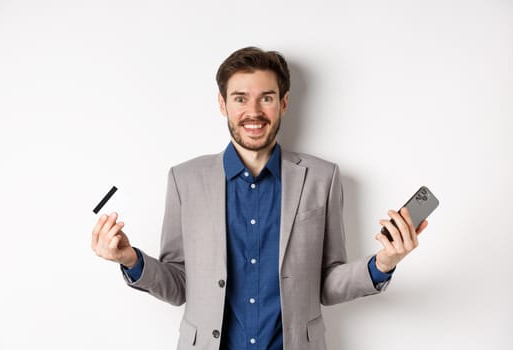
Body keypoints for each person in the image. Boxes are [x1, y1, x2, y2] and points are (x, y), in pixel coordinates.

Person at [91, 47, 428, 350]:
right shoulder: (184, 179)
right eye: (240, 98)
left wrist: (383, 263)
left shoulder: (323, 177)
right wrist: (130, 259)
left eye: (266, 97)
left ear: (283, 102)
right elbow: (179, 285)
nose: (253, 111)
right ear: (222, 104)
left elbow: (326, 284)